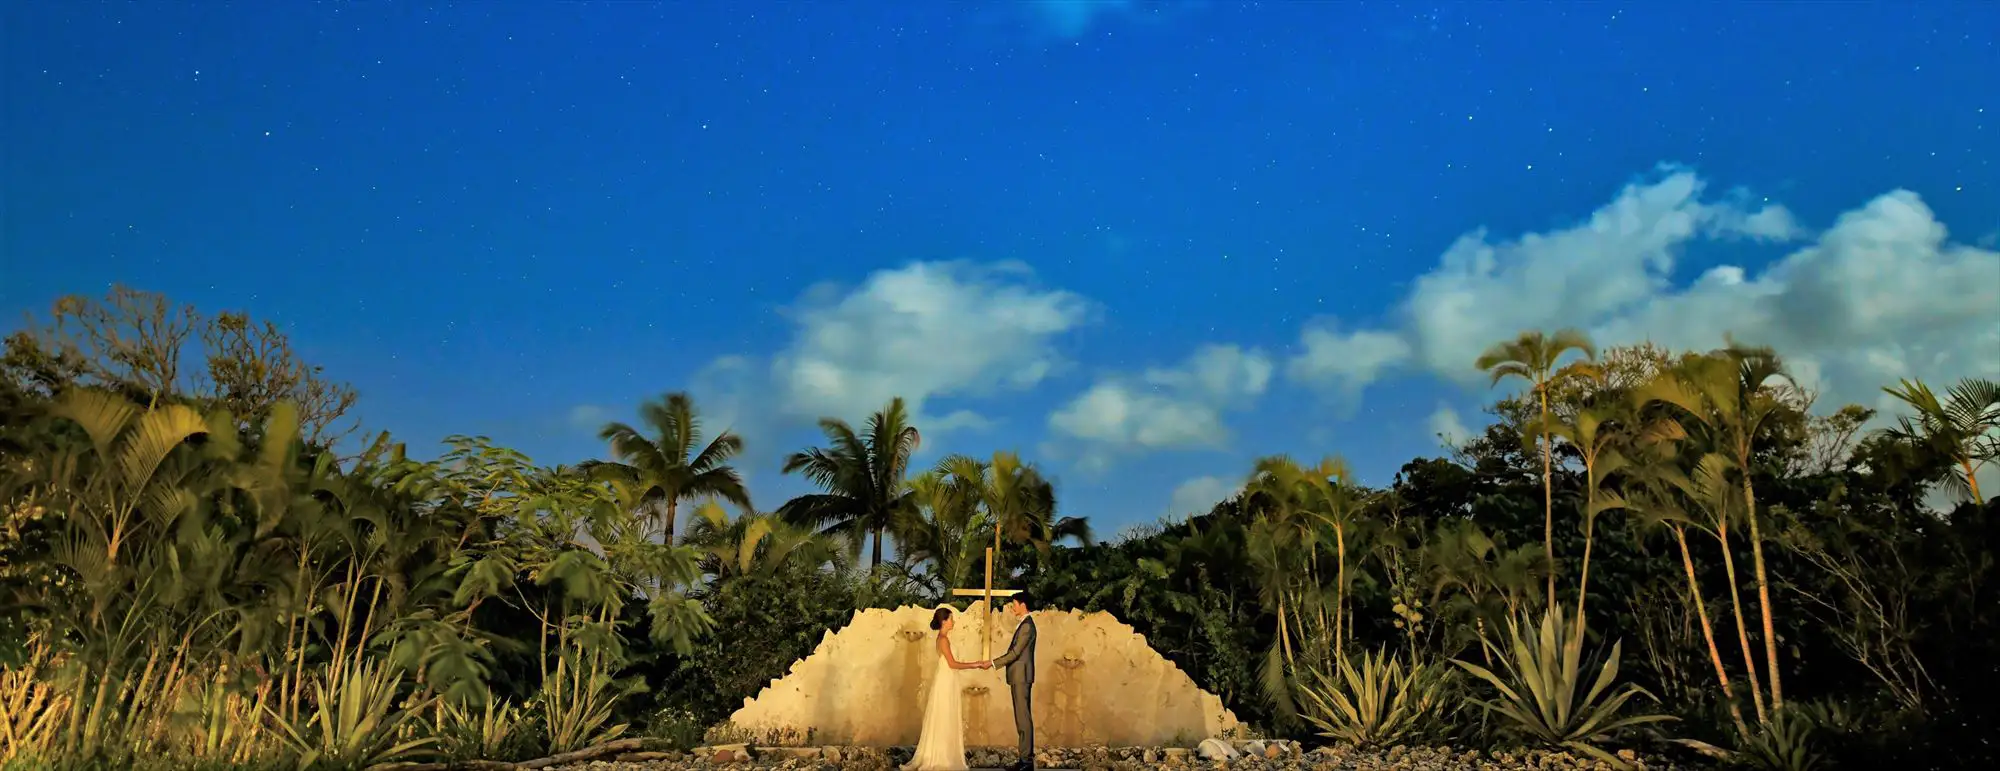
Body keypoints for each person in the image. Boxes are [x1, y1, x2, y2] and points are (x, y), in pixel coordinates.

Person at [904, 606, 990, 771]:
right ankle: (941, 756)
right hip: (945, 680)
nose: (953, 621)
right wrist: (976, 664)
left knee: (947, 715)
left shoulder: (944, 638)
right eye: (951, 618)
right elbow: (952, 663)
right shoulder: (943, 640)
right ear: (944, 621)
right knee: (944, 716)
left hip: (948, 679)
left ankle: (947, 754)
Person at [988, 594, 1038, 771]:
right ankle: (1024, 759)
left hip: (1021, 677)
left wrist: (994, 663)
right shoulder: (1024, 624)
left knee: (1023, 719)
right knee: (1021, 718)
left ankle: (1027, 762)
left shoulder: (1027, 626)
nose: (1012, 608)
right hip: (1019, 676)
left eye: (1014, 605)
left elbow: (1016, 653)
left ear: (1023, 605)